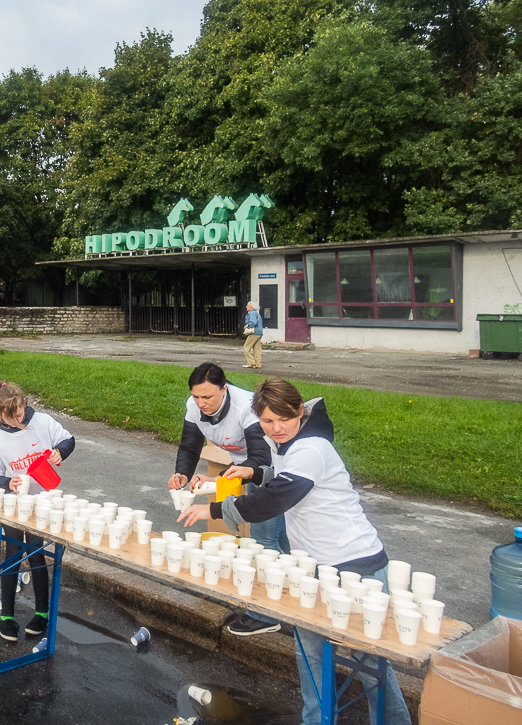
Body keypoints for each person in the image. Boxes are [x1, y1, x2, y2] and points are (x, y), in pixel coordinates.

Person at [179, 377, 411, 725]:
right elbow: (279, 476)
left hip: (356, 565)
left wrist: (214, 510)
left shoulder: (313, 447)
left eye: (284, 419)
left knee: (369, 663)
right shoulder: (286, 446)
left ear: (300, 411)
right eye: (267, 422)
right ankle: (316, 720)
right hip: (314, 567)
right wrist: (254, 471)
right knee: (312, 656)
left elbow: (278, 497)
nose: (276, 429)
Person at [168, 362, 283, 636]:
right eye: (196, 396)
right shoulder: (194, 407)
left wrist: (219, 482)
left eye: (207, 397)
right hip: (244, 467)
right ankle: (292, 595)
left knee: (263, 538)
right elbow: (189, 445)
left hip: (271, 470)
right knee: (283, 538)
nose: (201, 403)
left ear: (225, 388)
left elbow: (260, 460)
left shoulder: (247, 408)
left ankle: (264, 615)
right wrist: (182, 474)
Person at [0, 382, 75, 642]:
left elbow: (69, 439)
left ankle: (42, 613)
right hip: (12, 504)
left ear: (25, 405)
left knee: (36, 554)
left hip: (41, 502)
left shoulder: (42, 422)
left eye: (20, 414)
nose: (18, 421)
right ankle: (7, 616)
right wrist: (8, 482)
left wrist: (59, 453)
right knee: (12, 553)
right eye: (11, 417)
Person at [242, 301, 263, 369]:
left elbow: (253, 322)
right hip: (259, 332)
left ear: (251, 307)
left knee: (246, 347)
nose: (246, 306)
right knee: (257, 349)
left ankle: (251, 363)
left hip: (254, 333)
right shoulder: (257, 313)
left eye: (247, 305)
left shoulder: (252, 313)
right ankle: (258, 364)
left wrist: (247, 326)